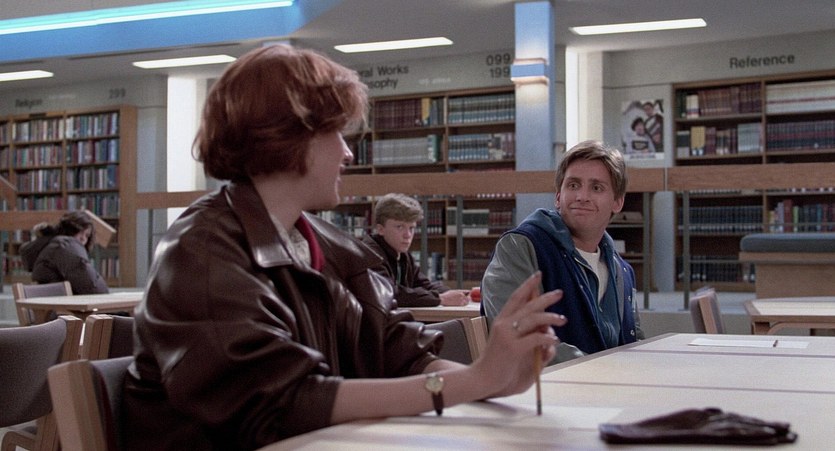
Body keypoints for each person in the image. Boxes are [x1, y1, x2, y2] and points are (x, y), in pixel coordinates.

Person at [123, 44, 566, 450]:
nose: (348, 153)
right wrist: (475, 381)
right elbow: (288, 403)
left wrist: (495, 381)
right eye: (335, 132)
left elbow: (398, 353)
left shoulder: (330, 247)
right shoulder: (201, 254)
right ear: (286, 136)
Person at [481, 140, 642, 363]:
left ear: (617, 202)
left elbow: (633, 340)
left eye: (596, 188)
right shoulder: (521, 247)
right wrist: (602, 371)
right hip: (545, 384)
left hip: (608, 382)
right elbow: (519, 336)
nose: (582, 196)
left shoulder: (621, 270)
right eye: (573, 185)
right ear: (558, 197)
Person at [361, 193, 469, 307]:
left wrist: (457, 294)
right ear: (380, 229)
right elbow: (390, 294)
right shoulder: (369, 254)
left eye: (411, 228)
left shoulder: (403, 255)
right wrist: (441, 298)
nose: (407, 235)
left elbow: (424, 285)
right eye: (400, 227)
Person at [19, 210, 109, 294]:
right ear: (69, 229)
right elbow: (92, 287)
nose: (83, 238)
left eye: (87, 235)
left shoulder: (54, 246)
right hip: (60, 304)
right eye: (80, 232)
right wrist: (108, 300)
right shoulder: (64, 246)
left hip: (55, 303)